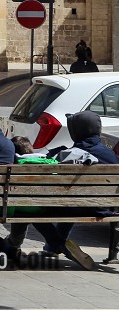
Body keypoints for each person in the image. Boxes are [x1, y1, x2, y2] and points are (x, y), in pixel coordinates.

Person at [9, 111, 117, 269]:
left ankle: (57, 243)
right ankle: (53, 247)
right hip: (105, 208)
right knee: (72, 202)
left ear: (77, 131)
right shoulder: (110, 155)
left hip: (78, 206)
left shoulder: (69, 154)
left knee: (28, 208)